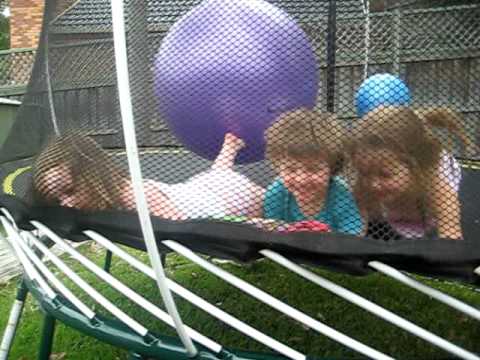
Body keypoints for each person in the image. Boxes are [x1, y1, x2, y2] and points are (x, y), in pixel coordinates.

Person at [33, 131, 265, 220]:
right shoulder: (108, 203)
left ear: (94, 179)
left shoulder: (135, 196)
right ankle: (229, 147)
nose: (65, 203)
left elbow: (183, 225)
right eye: (58, 200)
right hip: (196, 189)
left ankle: (230, 148)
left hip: (228, 199)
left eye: (69, 191)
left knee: (269, 200)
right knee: (217, 175)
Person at [348, 105, 476, 240]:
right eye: (364, 173)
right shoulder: (363, 186)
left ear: (415, 167)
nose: (373, 184)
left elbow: (451, 235)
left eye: (385, 175)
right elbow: (355, 230)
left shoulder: (435, 183)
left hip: (428, 199)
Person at [262, 108, 364, 235]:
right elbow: (271, 232)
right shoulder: (276, 194)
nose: (301, 179)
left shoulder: (340, 194)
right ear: (278, 167)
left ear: (332, 168)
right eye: (291, 169)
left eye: (313, 169)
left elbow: (353, 235)